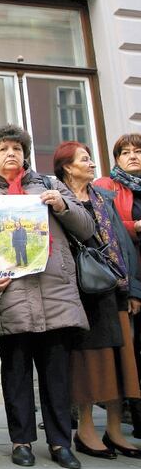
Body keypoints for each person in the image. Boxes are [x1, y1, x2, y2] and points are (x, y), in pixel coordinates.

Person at [0, 124, 92, 469]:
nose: (12, 154)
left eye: (17, 149)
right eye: (4, 149)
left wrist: (63, 205)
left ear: (25, 154)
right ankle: (21, 441)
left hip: (56, 296)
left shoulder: (51, 186)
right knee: (16, 374)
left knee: (56, 376)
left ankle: (59, 443)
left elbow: (88, 228)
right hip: (11, 300)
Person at [53, 141, 141, 459]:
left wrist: (132, 290)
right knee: (88, 365)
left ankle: (115, 430)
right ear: (67, 166)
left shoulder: (103, 197)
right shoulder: (56, 200)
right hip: (77, 292)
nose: (92, 164)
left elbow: (121, 243)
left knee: (119, 362)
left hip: (111, 288)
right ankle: (87, 431)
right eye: (85, 160)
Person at [94, 133, 141, 439]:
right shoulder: (106, 187)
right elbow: (105, 227)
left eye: (138, 151)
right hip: (128, 274)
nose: (133, 156)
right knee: (133, 349)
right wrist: (134, 226)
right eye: (125, 152)